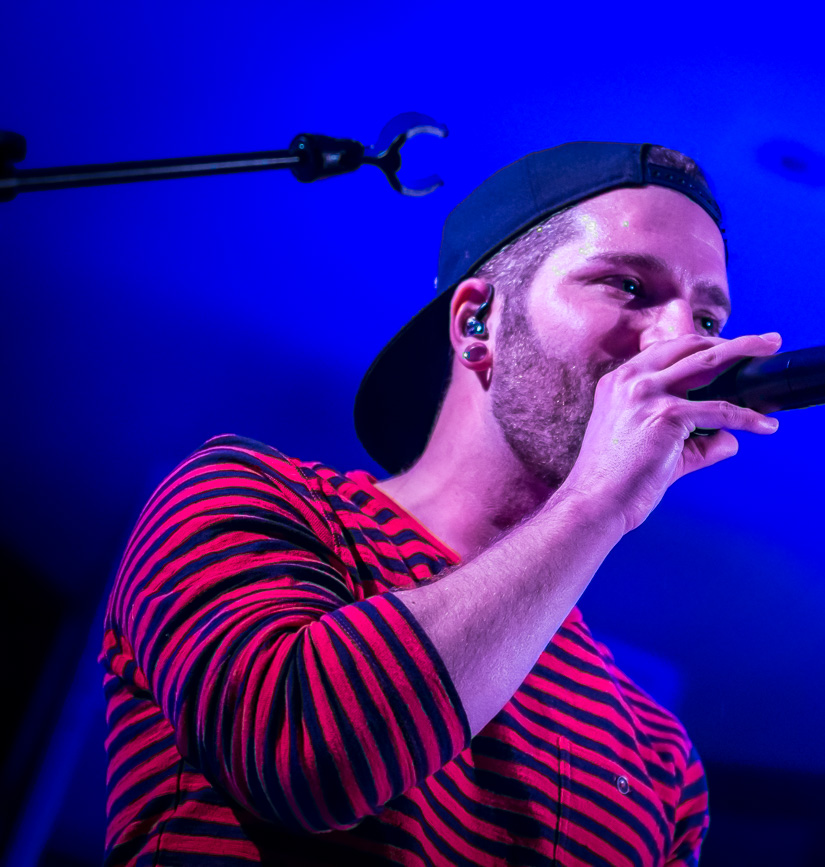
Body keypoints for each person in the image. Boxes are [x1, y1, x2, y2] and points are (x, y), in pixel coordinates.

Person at [101, 141, 782, 866]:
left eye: (708, 322)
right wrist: (595, 502)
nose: (683, 343)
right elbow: (304, 760)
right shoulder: (250, 495)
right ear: (476, 322)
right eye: (630, 286)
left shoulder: (658, 754)